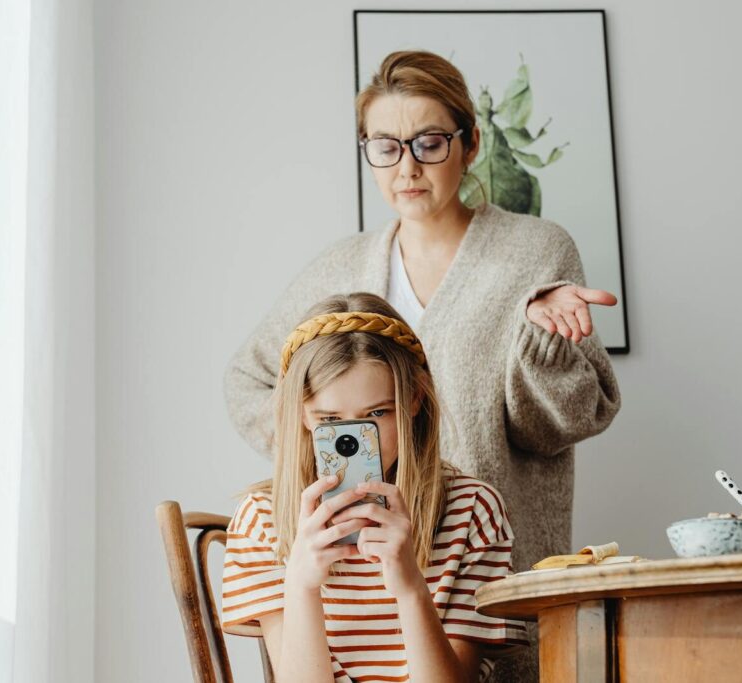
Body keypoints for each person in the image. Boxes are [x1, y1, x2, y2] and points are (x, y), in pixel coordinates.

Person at [224, 50, 621, 677]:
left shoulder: (535, 252)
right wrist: (336, 448)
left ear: (469, 144)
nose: (406, 166)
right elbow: (250, 380)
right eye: (385, 146)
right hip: (351, 589)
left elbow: (559, 424)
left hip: (485, 570)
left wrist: (549, 345)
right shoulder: (337, 269)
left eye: (430, 142)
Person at [221, 293, 528, 683]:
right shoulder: (262, 520)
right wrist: (300, 585)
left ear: (414, 399)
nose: (353, 439)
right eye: (329, 419)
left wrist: (411, 588)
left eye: (376, 414)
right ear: (300, 412)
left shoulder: (472, 511)